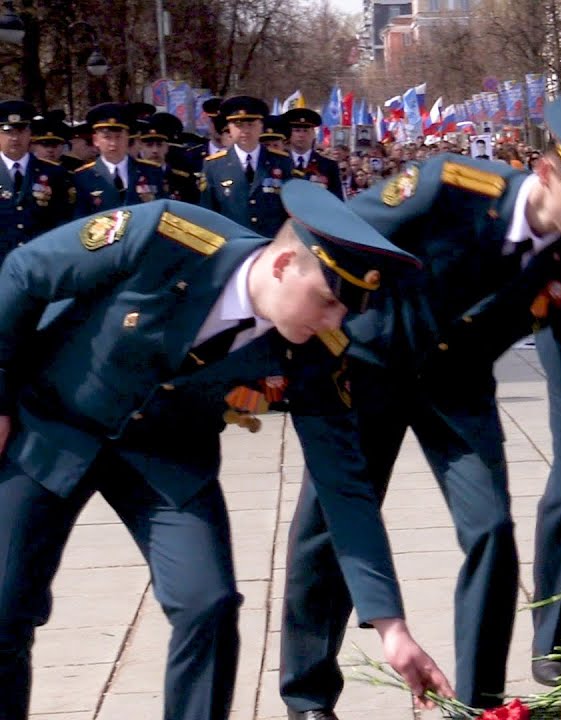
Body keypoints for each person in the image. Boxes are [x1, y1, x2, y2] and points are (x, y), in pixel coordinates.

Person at [0, 181, 451, 720]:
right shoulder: (164, 235)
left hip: (166, 458)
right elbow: (24, 273)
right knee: (5, 607)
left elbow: (346, 488)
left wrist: (390, 625)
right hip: (53, 423)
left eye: (344, 312)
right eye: (328, 301)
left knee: (208, 604)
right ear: (284, 263)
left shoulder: (313, 352)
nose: (333, 322)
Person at [279, 95, 561, 717]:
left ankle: (481, 703)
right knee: (326, 531)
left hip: (456, 389)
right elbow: (340, 235)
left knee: (490, 530)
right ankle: (307, 695)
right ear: (546, 173)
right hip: (369, 367)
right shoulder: (449, 186)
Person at [199, 96, 297, 236]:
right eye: (238, 125)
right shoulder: (214, 165)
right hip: (233, 247)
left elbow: (292, 211)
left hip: (272, 246)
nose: (245, 130)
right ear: (230, 128)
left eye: (251, 124)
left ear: (261, 126)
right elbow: (208, 212)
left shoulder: (282, 162)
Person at [0, 101, 74, 267]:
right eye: (7, 131)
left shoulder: (55, 173)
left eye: (20, 130)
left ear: (30, 134)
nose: (14, 137)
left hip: (41, 263)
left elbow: (63, 220)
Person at [71, 103, 167, 218]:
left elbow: (162, 211)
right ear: (96, 140)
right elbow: (79, 219)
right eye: (107, 137)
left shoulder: (151, 171)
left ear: (127, 138)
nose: (113, 143)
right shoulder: (84, 176)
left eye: (118, 137)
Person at [283, 108, 345, 200]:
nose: (301, 135)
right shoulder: (279, 162)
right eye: (297, 130)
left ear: (313, 134)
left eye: (306, 131)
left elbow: (337, 201)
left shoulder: (328, 166)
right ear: (289, 134)